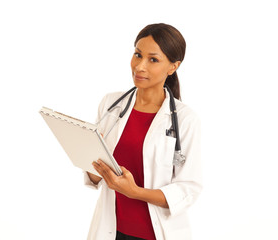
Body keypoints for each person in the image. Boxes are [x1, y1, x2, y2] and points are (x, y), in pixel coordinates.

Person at [84, 23, 202, 240]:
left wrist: (135, 192)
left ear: (173, 67)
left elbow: (188, 189)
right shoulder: (111, 105)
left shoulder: (185, 119)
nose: (140, 66)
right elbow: (94, 176)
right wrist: (90, 159)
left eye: (153, 59)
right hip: (110, 230)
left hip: (156, 234)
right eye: (138, 55)